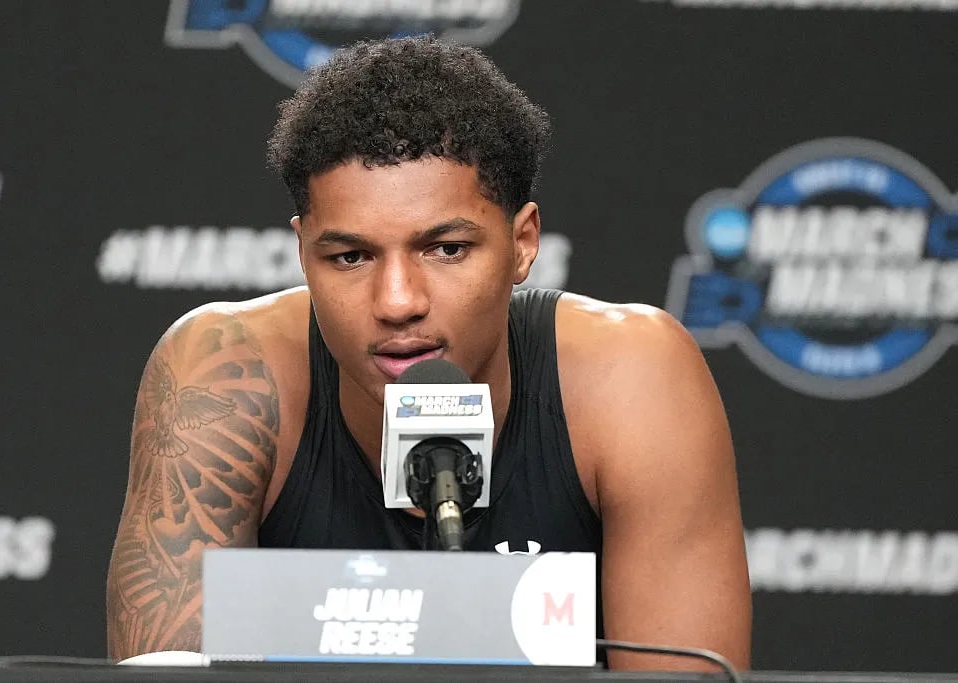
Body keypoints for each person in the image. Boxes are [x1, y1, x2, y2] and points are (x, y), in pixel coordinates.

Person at [106, 36, 751, 670]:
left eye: (446, 249)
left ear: (523, 243)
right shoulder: (226, 376)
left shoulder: (630, 377)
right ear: (303, 253)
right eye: (350, 257)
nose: (397, 301)